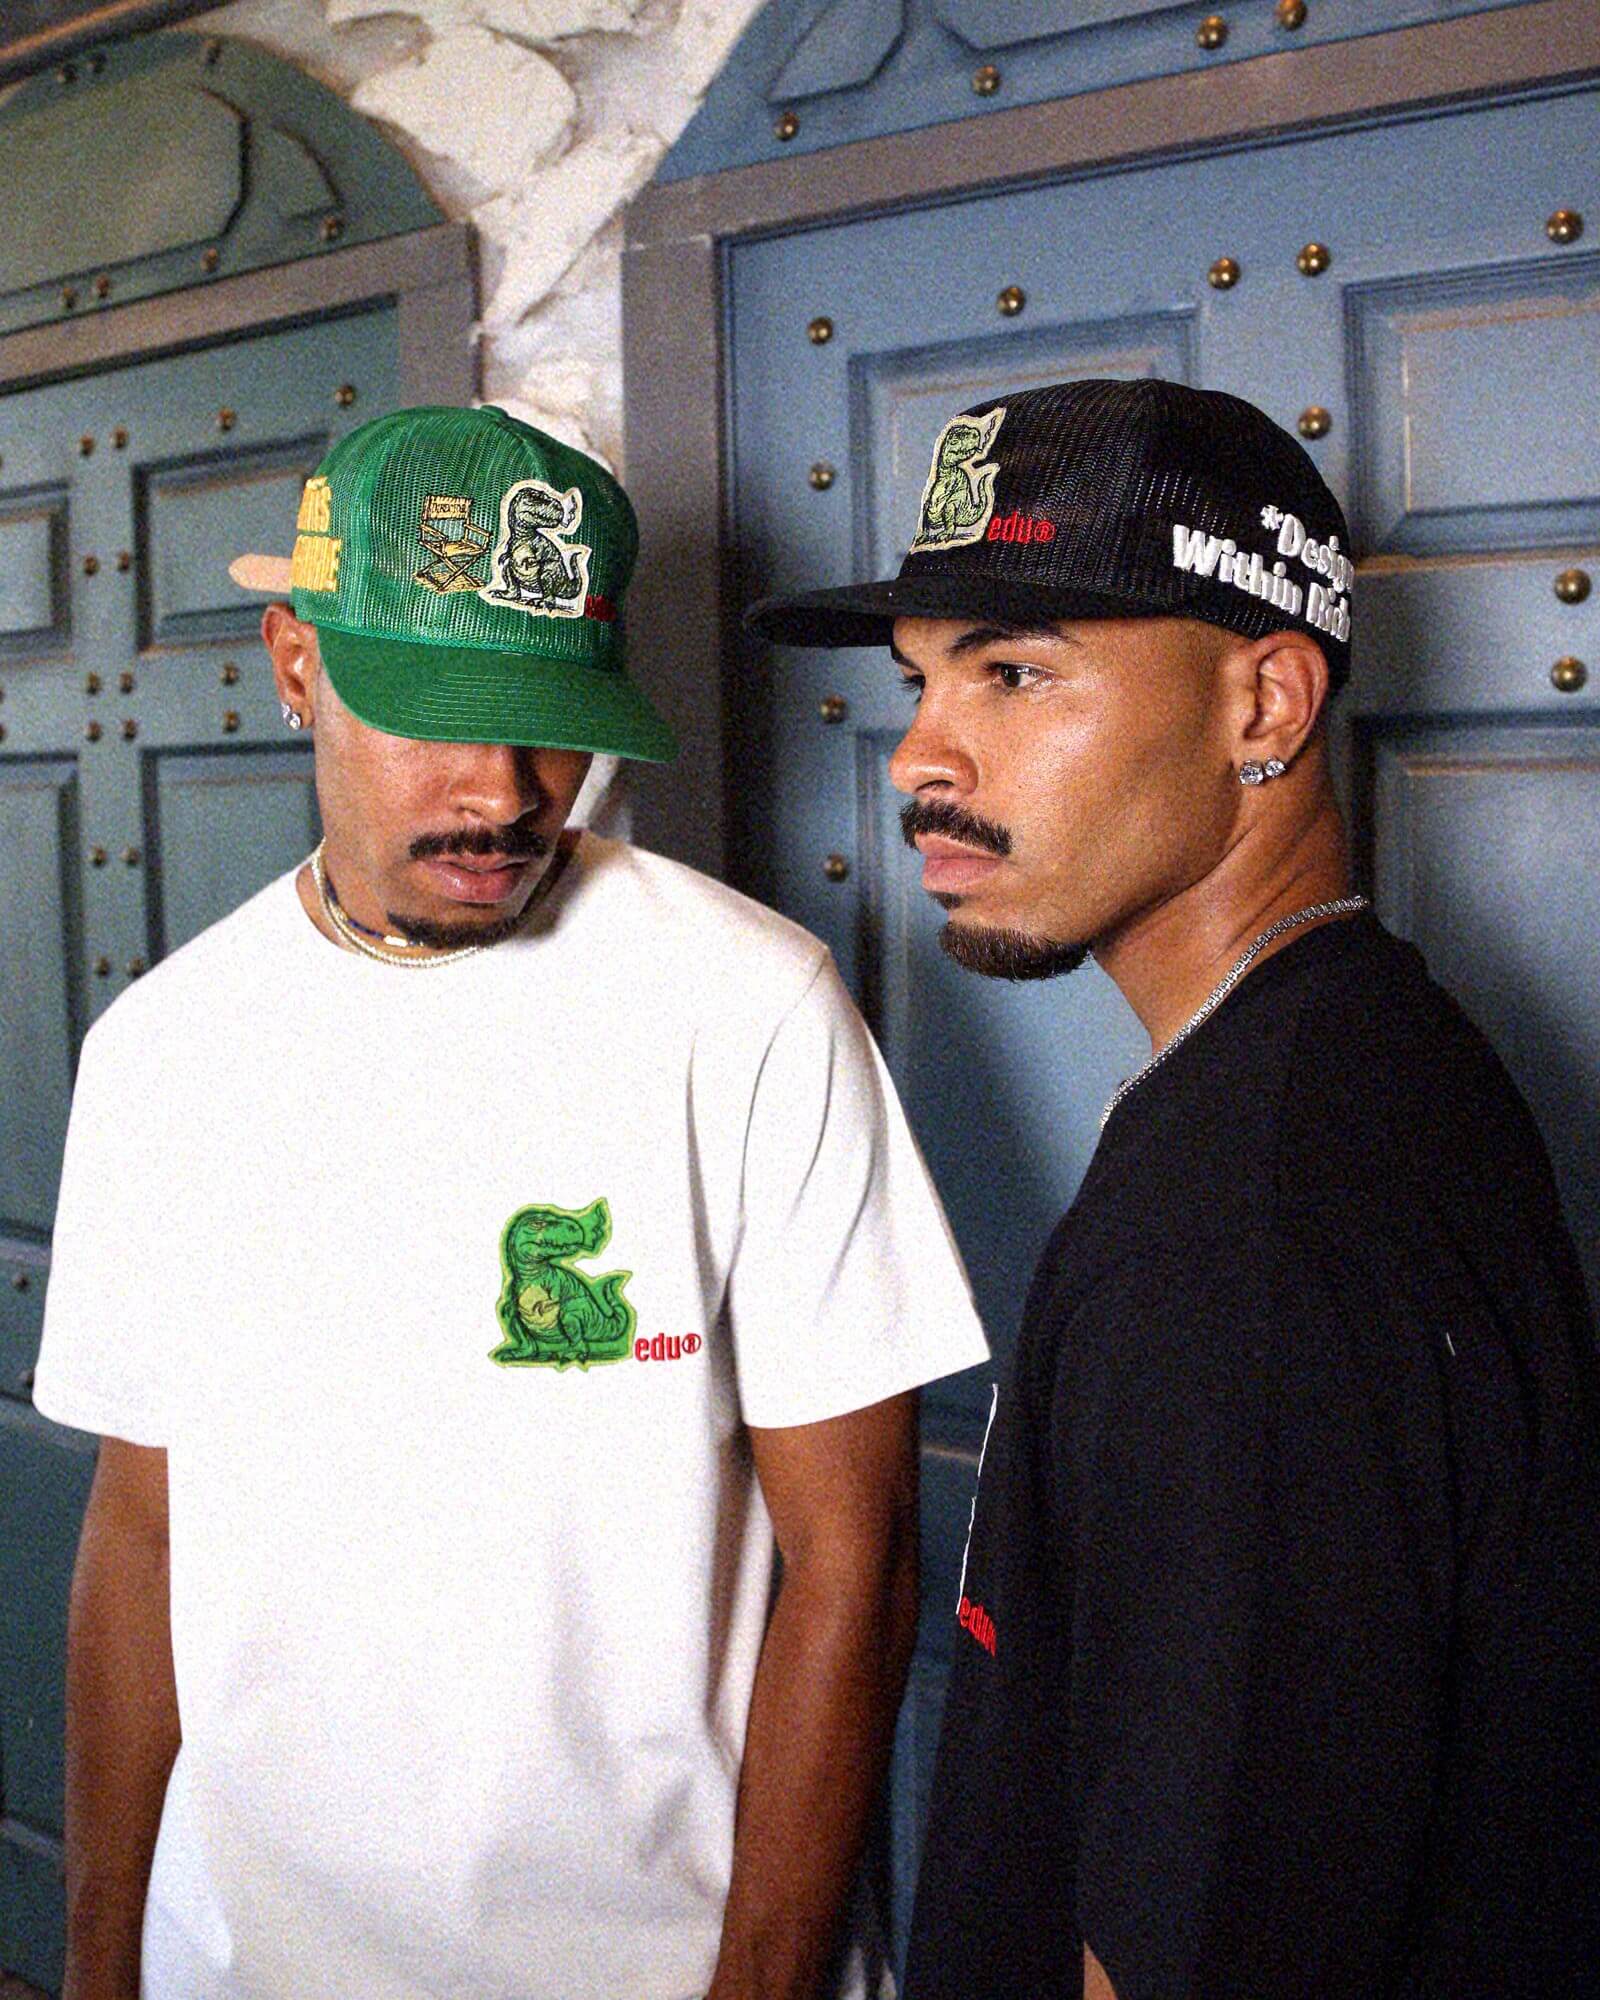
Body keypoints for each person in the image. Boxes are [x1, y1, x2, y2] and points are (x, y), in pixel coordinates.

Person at [34, 403, 988, 2000]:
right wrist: (97, 1956)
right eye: (433, 712)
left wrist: (760, 1986)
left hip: (656, 1958)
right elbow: (143, 1528)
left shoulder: (747, 1005)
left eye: (549, 719)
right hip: (253, 1954)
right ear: (295, 666)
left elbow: (856, 1556)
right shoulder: (167, 1050)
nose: (503, 789)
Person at [747, 378, 1600, 1999]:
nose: (922, 754)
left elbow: (1201, 1939)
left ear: (1264, 706)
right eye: (922, 680)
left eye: (1014, 673)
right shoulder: (1352, 1056)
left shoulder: (1251, 1219)